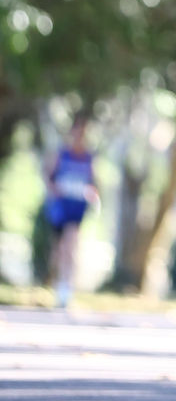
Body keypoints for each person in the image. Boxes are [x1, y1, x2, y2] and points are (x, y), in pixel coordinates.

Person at [43, 110, 99, 308]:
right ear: (72, 132)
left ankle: (66, 290)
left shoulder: (89, 158)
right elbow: (48, 176)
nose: (80, 135)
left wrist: (93, 195)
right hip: (61, 207)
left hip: (77, 207)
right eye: (78, 131)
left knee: (71, 246)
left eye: (83, 132)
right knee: (58, 250)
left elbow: (93, 182)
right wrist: (54, 190)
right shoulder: (61, 154)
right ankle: (57, 284)